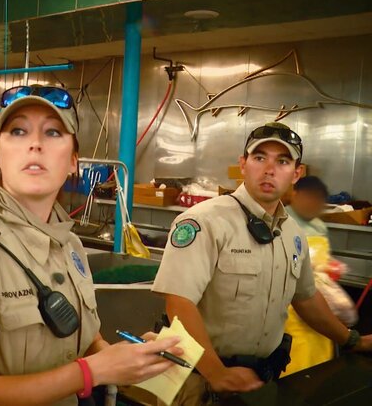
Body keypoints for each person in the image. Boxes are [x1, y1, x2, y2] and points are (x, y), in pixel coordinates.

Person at [0, 85, 182, 406]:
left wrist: (128, 359)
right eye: (18, 131)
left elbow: (85, 340)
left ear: (73, 161)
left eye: (53, 132)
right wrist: (91, 372)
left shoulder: (70, 245)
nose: (36, 144)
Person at [152, 122, 372, 405]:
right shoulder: (203, 222)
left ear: (296, 174)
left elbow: (306, 298)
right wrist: (216, 372)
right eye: (259, 157)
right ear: (243, 165)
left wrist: (352, 340)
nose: (269, 169)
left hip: (259, 381)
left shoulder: (293, 234)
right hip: (199, 381)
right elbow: (179, 303)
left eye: (282, 161)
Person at [282, 176, 358, 376]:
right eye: (309, 198)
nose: (313, 205)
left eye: (318, 201)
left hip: (319, 306)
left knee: (320, 368)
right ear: (295, 195)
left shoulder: (319, 226)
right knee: (293, 367)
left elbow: (320, 258)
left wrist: (330, 266)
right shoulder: (282, 221)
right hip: (290, 308)